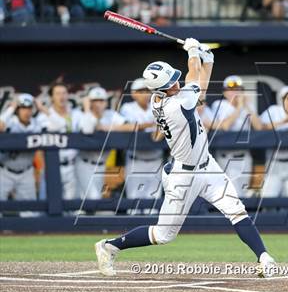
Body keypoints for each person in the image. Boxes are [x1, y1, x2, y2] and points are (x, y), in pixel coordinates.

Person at [95, 38, 276, 278]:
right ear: (160, 91)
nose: (175, 84)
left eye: (174, 79)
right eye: (170, 83)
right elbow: (194, 79)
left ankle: (264, 258)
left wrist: (207, 61)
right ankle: (109, 246)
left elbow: (197, 91)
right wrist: (192, 52)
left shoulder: (175, 97)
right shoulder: (173, 105)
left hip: (208, 166)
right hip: (183, 174)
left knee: (236, 210)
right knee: (163, 235)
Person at [76, 87, 132, 200]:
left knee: (97, 201)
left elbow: (130, 126)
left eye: (101, 100)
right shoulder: (82, 115)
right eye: (94, 100)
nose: (98, 104)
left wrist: (108, 127)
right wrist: (87, 108)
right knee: (92, 198)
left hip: (102, 166)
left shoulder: (110, 115)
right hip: (85, 164)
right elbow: (87, 129)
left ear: (106, 102)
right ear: (89, 102)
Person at [212, 75, 262, 198]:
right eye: (231, 89)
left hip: (244, 156)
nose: (234, 92)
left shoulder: (248, 106)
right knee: (230, 196)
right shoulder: (219, 104)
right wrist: (239, 107)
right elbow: (225, 126)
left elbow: (259, 127)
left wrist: (247, 106)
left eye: (238, 89)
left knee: (243, 196)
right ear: (225, 92)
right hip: (226, 157)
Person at [120, 78, 163, 214]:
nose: (145, 94)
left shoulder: (157, 106)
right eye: (141, 91)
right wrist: (151, 124)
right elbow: (128, 127)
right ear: (133, 94)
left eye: (147, 90)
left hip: (156, 159)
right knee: (134, 205)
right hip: (135, 160)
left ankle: (152, 235)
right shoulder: (128, 108)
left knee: (153, 205)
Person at [36, 83, 82, 201]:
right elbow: (38, 144)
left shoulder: (76, 114)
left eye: (64, 93)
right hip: (51, 165)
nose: (61, 96)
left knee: (71, 207)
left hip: (73, 166)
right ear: (52, 97)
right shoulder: (42, 117)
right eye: (57, 94)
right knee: (48, 203)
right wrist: (42, 167)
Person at [0, 94, 43, 216]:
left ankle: (30, 234)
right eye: (23, 108)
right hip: (4, 171)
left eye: (29, 108)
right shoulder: (10, 122)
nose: (27, 111)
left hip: (26, 172)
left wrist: (41, 108)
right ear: (17, 110)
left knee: (30, 212)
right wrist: (11, 108)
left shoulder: (37, 124)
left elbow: (55, 127)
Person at [260, 86, 288, 199]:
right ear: (282, 99)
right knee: (268, 199)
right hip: (274, 161)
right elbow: (260, 127)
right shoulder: (274, 110)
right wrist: (283, 122)